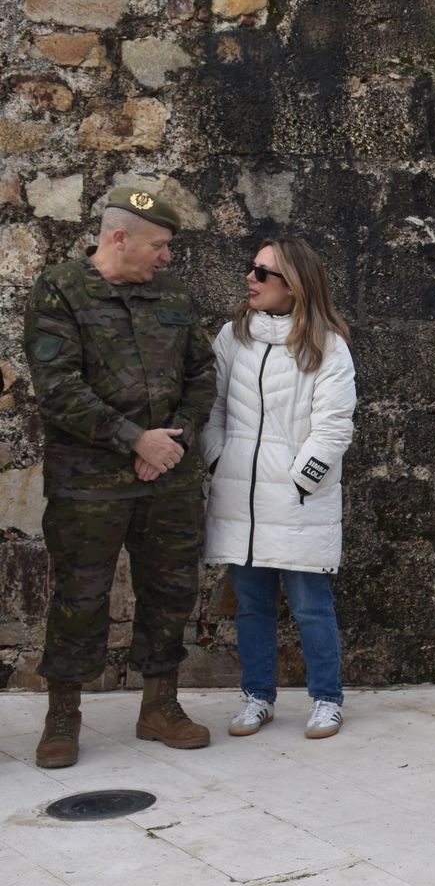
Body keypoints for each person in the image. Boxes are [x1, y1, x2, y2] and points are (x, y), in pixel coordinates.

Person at [25, 186, 216, 769]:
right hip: (89, 481)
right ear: (118, 238)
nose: (167, 257)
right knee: (80, 594)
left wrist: (171, 441)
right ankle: (63, 715)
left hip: (168, 475)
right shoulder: (60, 289)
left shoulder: (174, 294)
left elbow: (202, 373)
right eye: (158, 245)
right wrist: (135, 439)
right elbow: (58, 387)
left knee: (171, 589)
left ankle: (160, 706)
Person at [204, 238, 357, 741]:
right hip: (239, 496)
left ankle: (327, 699)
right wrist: (218, 459)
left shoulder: (327, 345)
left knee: (312, 604)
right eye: (251, 268)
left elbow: (333, 427)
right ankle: (257, 695)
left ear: (293, 285)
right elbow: (213, 408)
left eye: (262, 273)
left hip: (296, 499)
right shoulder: (232, 337)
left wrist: (299, 482)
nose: (250, 278)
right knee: (250, 604)